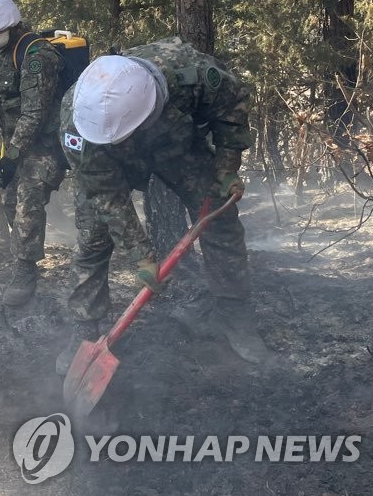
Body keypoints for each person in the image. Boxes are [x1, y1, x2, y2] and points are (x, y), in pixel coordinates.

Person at [56, 37, 271, 373]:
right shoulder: (78, 119)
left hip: (176, 145)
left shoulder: (191, 73)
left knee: (219, 215)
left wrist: (227, 167)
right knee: (94, 236)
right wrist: (141, 255)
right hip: (108, 161)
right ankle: (84, 330)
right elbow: (106, 195)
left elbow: (232, 107)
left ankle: (234, 314)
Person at [0, 0, 68, 306]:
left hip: (46, 147)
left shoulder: (37, 56)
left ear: (8, 25)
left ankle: (24, 275)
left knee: (27, 201)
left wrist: (13, 157)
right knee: (8, 202)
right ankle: (22, 262)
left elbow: (35, 114)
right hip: (16, 146)